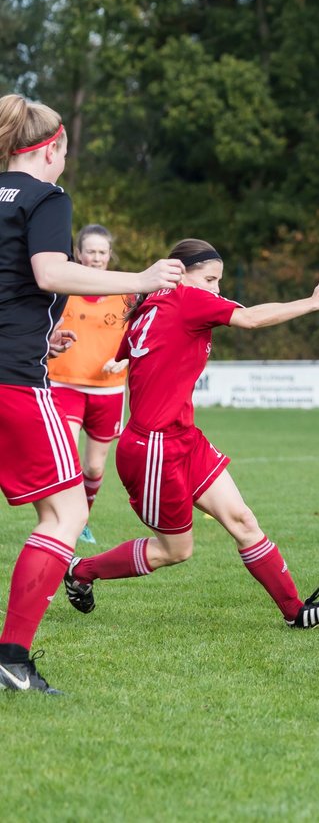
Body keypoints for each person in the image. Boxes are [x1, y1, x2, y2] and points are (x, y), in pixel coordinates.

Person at [62, 239, 319, 633]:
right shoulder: (185, 299)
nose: (215, 288)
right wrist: (312, 303)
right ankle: (81, 570)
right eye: (210, 279)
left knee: (242, 518)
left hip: (183, 437)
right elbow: (250, 319)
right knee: (175, 550)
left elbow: (131, 352)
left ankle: (295, 611)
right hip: (154, 449)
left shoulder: (155, 304)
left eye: (219, 281)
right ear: (181, 273)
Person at [0, 93, 183, 693]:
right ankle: (12, 661)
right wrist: (142, 278)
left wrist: (35, 336)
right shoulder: (47, 198)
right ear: (50, 148)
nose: (64, 166)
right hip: (13, 384)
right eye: (64, 154)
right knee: (66, 512)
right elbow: (51, 273)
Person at [47, 224, 131, 544]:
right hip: (64, 385)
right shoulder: (59, 290)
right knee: (65, 456)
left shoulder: (126, 292)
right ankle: (62, 519)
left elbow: (140, 335)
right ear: (78, 254)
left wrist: (125, 359)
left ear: (109, 256)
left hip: (108, 390)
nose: (96, 258)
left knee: (94, 469)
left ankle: (82, 518)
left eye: (102, 252)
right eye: (90, 251)